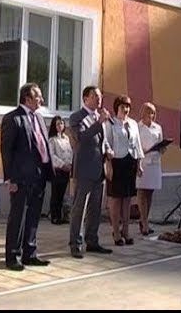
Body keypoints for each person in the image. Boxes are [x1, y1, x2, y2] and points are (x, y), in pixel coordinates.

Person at [1, 83, 53, 271]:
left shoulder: (38, 117)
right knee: (18, 217)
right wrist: (10, 178)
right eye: (38, 96)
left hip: (39, 175)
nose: (42, 100)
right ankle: (12, 256)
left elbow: (42, 144)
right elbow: (6, 150)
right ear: (27, 98)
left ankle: (30, 253)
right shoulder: (13, 118)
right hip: (21, 178)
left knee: (33, 215)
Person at [68, 86, 113, 259]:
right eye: (95, 96)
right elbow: (81, 138)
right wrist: (99, 123)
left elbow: (102, 141)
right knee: (79, 208)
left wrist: (108, 150)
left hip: (99, 170)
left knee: (95, 209)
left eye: (100, 96)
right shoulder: (77, 117)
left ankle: (92, 241)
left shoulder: (99, 117)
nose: (99, 99)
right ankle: (75, 244)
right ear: (85, 98)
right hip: (84, 169)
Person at [105, 95, 144, 245]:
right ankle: (116, 231)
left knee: (127, 199)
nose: (126, 109)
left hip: (130, 162)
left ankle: (126, 231)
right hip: (116, 162)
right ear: (117, 108)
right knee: (115, 199)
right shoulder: (111, 123)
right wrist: (108, 165)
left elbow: (137, 145)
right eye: (123, 106)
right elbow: (107, 144)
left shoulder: (133, 123)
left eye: (127, 106)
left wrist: (139, 164)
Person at [137, 103, 165, 236]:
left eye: (153, 113)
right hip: (143, 162)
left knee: (150, 193)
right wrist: (144, 152)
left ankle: (144, 220)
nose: (151, 115)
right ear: (143, 113)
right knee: (142, 192)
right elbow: (135, 145)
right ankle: (144, 223)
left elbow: (160, 143)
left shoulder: (158, 127)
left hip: (155, 163)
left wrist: (162, 148)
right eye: (149, 112)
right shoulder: (137, 127)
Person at [48, 116, 73, 225]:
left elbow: (70, 152)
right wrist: (62, 165)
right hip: (58, 170)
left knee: (63, 194)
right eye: (58, 124)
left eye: (62, 123)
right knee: (56, 193)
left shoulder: (66, 138)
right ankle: (55, 216)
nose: (60, 126)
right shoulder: (52, 139)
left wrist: (70, 164)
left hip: (66, 170)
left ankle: (62, 215)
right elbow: (52, 155)